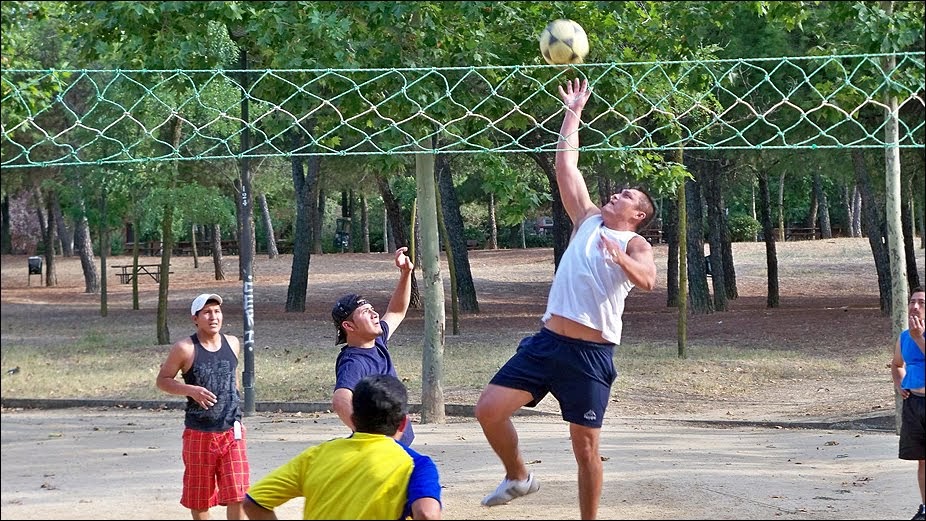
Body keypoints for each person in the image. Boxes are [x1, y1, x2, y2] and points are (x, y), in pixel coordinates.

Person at [474, 77, 657, 520]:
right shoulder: (588, 219)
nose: (616, 193)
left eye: (627, 196)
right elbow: (566, 167)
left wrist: (622, 260)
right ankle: (519, 476)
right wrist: (574, 109)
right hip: (546, 343)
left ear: (638, 215)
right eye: (617, 191)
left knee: (586, 449)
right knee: (488, 410)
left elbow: (648, 281)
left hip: (589, 355)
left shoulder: (635, 246)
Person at [243, 374, 442, 520]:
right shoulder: (416, 465)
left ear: (354, 418)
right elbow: (427, 513)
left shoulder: (316, 456)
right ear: (403, 423)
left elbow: (254, 502)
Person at [156, 293, 249, 520]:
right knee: (200, 496)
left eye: (217, 311)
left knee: (238, 492)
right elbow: (163, 380)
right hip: (199, 433)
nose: (213, 316)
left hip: (231, 431)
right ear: (195, 318)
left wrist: (237, 415)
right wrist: (191, 390)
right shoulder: (185, 348)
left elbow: (232, 378)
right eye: (207, 312)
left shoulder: (233, 343)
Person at [331, 246, 416, 446]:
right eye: (365, 312)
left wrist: (405, 273)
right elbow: (340, 400)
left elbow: (396, 311)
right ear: (349, 326)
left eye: (372, 309)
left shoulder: (377, 342)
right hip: (382, 451)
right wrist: (372, 438)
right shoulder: (354, 361)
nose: (375, 314)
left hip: (394, 448)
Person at [891, 286, 926, 521]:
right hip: (914, 403)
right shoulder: (905, 336)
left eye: (922, 302)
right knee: (923, 460)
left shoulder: (914, 336)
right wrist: (900, 383)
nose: (915, 306)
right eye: (912, 301)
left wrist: (919, 338)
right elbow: (896, 364)